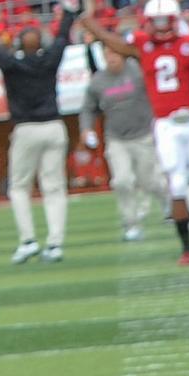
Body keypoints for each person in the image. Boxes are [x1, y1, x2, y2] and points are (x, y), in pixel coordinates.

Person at [82, 0, 189, 263]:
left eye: (165, 20)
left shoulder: (188, 45)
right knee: (178, 184)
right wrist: (87, 21)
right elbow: (112, 42)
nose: (161, 26)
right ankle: (186, 247)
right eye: (156, 21)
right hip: (165, 124)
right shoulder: (142, 47)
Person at [0, 0, 74, 266]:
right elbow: (63, 34)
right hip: (53, 126)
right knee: (54, 188)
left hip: (26, 129)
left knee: (19, 188)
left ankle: (28, 241)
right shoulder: (50, 59)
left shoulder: (11, 64)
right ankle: (55, 243)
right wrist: (71, 7)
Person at [80, 21, 158, 243]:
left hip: (143, 135)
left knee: (150, 181)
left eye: (115, 52)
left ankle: (169, 205)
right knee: (122, 181)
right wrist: (86, 128)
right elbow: (88, 108)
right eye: (107, 54)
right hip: (116, 139)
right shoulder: (98, 81)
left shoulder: (138, 70)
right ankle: (131, 223)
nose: (112, 57)